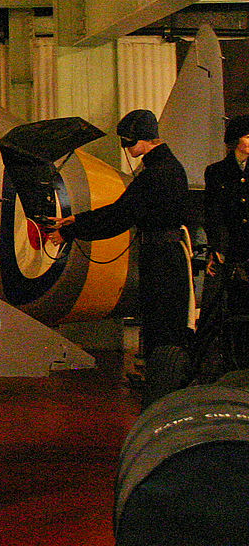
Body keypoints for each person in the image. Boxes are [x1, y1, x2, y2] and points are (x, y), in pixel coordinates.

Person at [48, 109, 192, 405]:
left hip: (161, 258)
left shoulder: (156, 173)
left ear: (143, 140)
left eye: (128, 143)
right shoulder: (167, 167)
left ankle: (161, 396)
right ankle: (165, 390)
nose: (127, 149)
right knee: (165, 325)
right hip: (167, 255)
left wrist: (73, 230)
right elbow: (124, 209)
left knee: (162, 328)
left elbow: (120, 215)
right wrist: (77, 221)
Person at [193, 114, 249, 377]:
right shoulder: (217, 172)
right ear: (235, 140)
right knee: (218, 308)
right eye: (247, 135)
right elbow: (213, 212)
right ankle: (213, 366)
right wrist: (218, 247)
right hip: (229, 249)